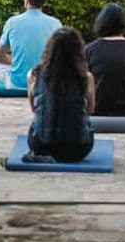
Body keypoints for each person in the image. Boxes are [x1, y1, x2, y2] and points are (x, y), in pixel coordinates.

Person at [26, 27, 95, 162]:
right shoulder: (86, 77)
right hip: (79, 149)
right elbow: (89, 110)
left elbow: (34, 109)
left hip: (41, 146)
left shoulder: (34, 75)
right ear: (78, 52)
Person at [0, 0, 62, 89]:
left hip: (17, 84)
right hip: (44, 84)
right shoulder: (56, 23)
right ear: (45, 1)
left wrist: (14, 61)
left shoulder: (12, 22)